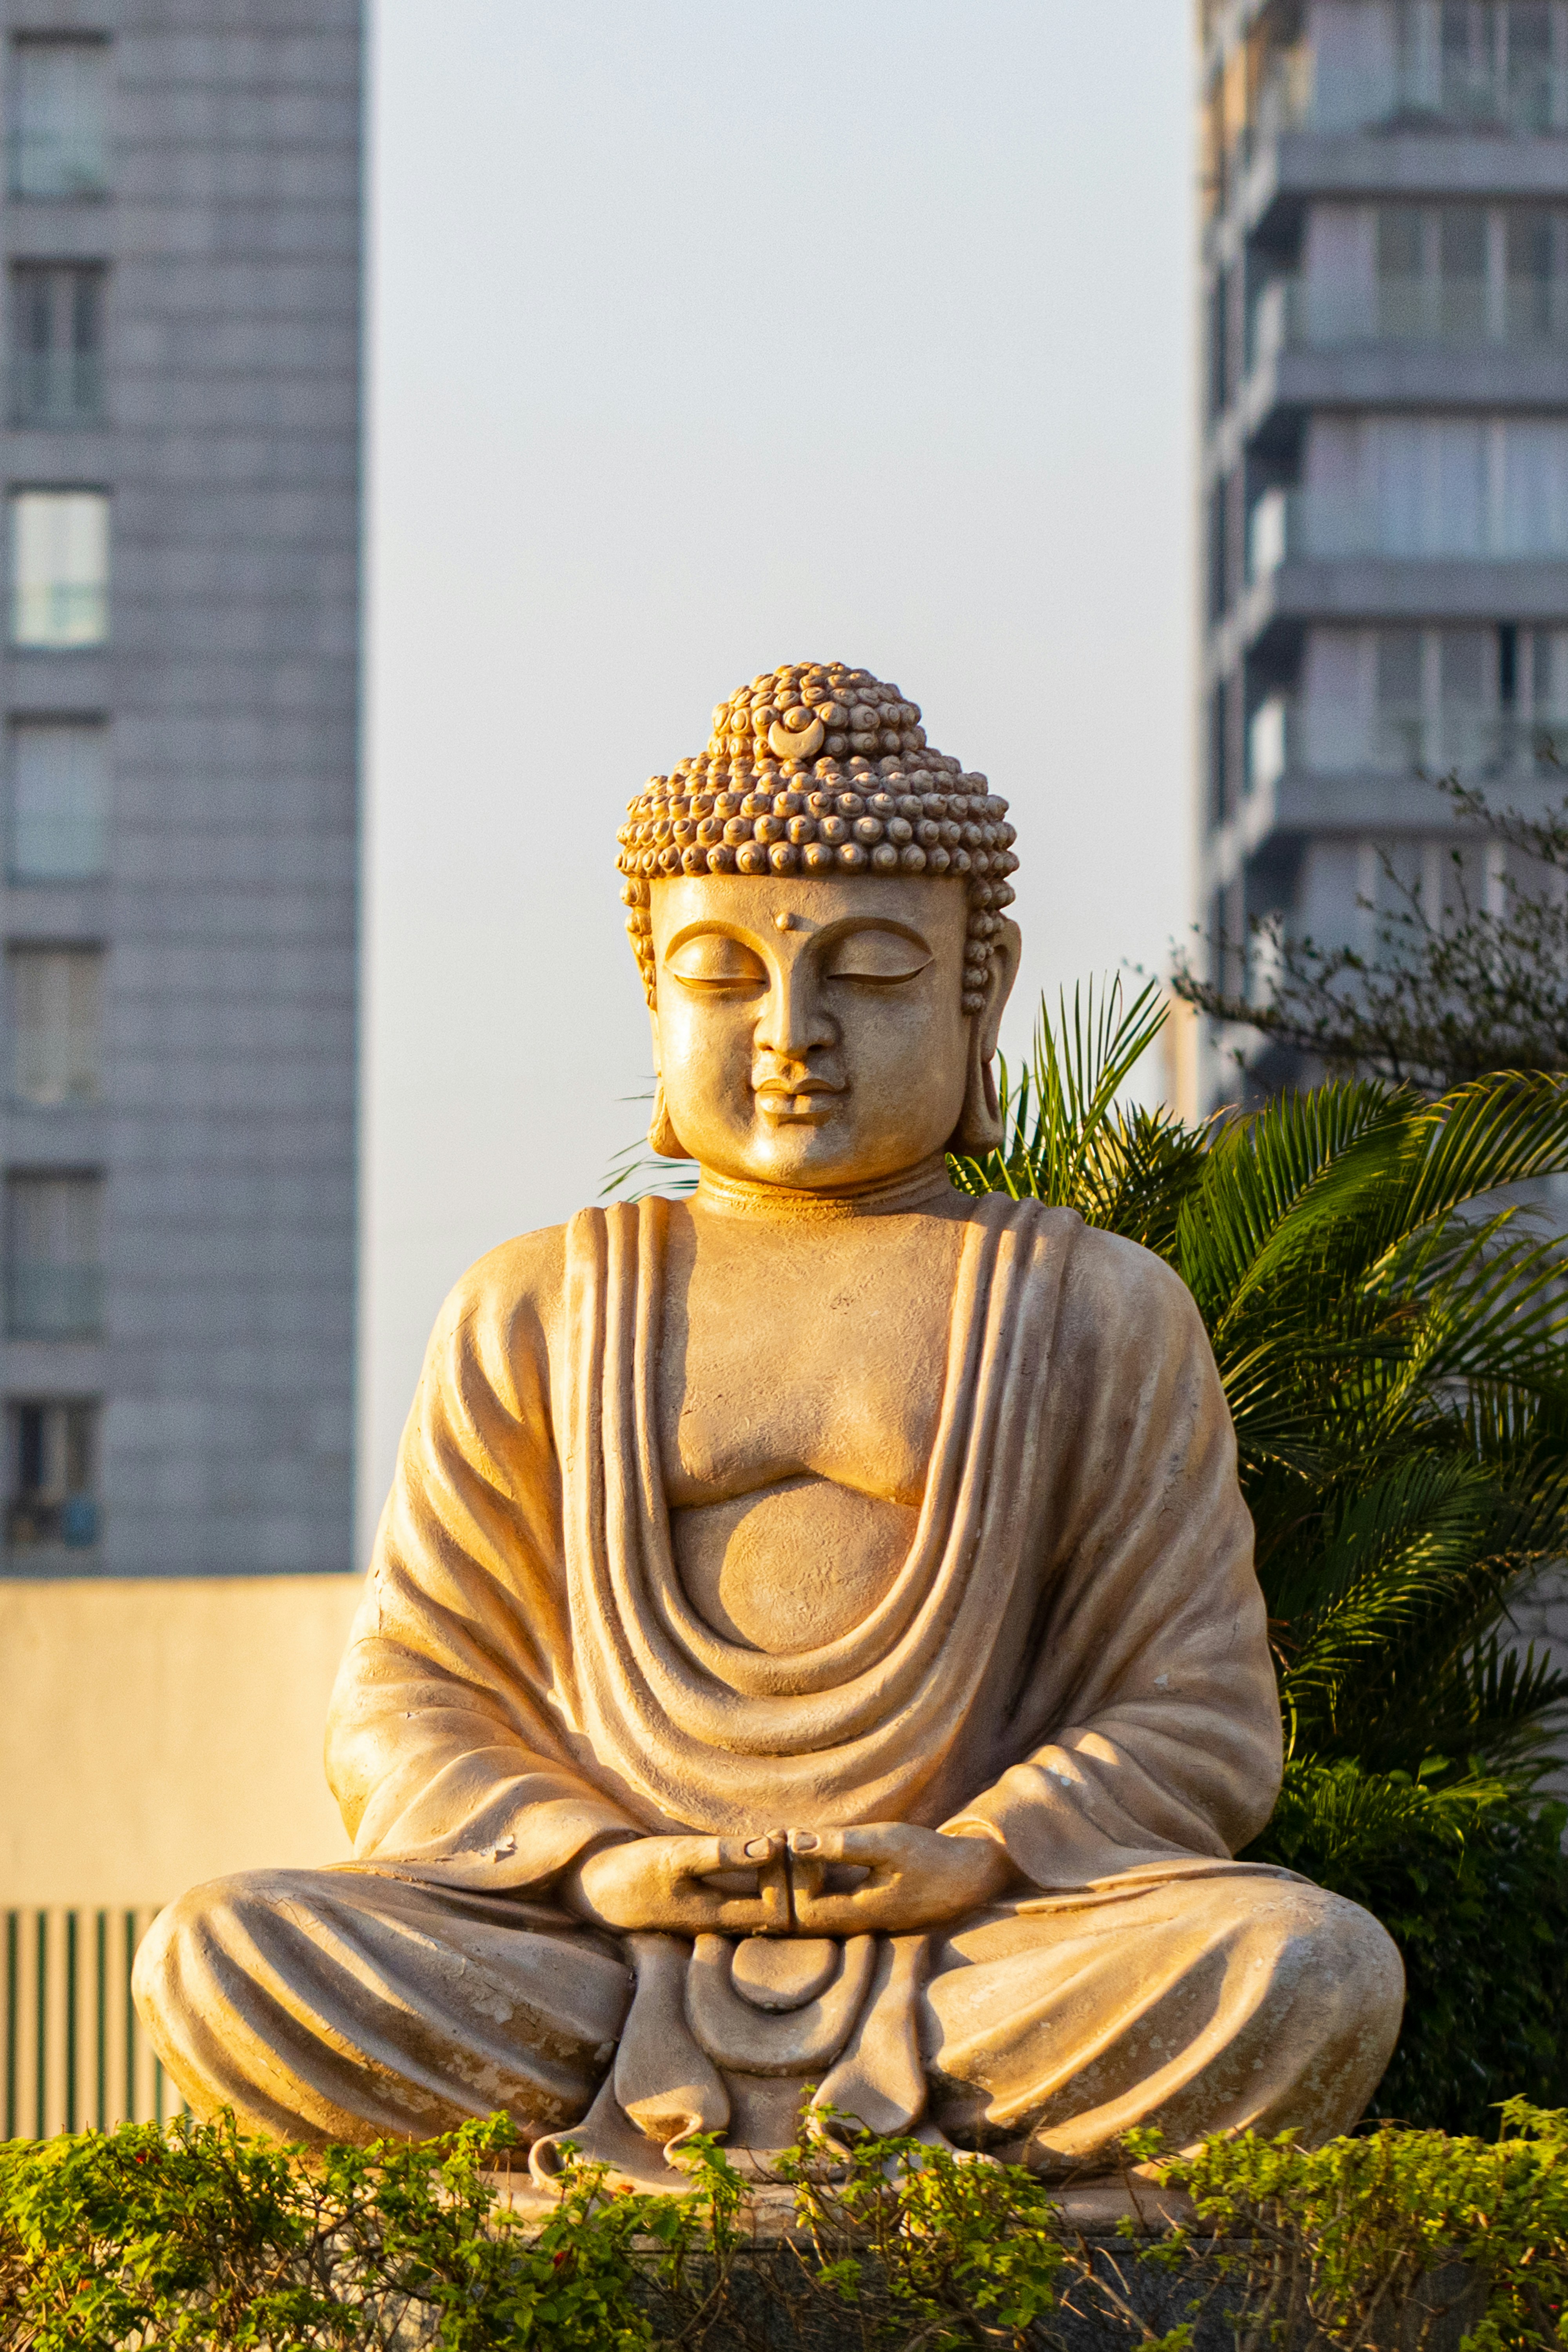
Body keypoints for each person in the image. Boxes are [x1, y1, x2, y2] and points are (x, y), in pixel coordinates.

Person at [135, 660, 1403, 2189]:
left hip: (976, 1956)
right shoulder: (535, 1305)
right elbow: (408, 1698)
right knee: (226, 1954)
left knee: (1302, 1970)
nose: (791, 1031)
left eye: (867, 973)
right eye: (723, 977)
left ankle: (875, 2096)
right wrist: (606, 1862)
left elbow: (1199, 1712)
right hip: (591, 1952)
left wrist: (977, 1854)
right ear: (653, 990)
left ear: (975, 990)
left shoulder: (1094, 1307)